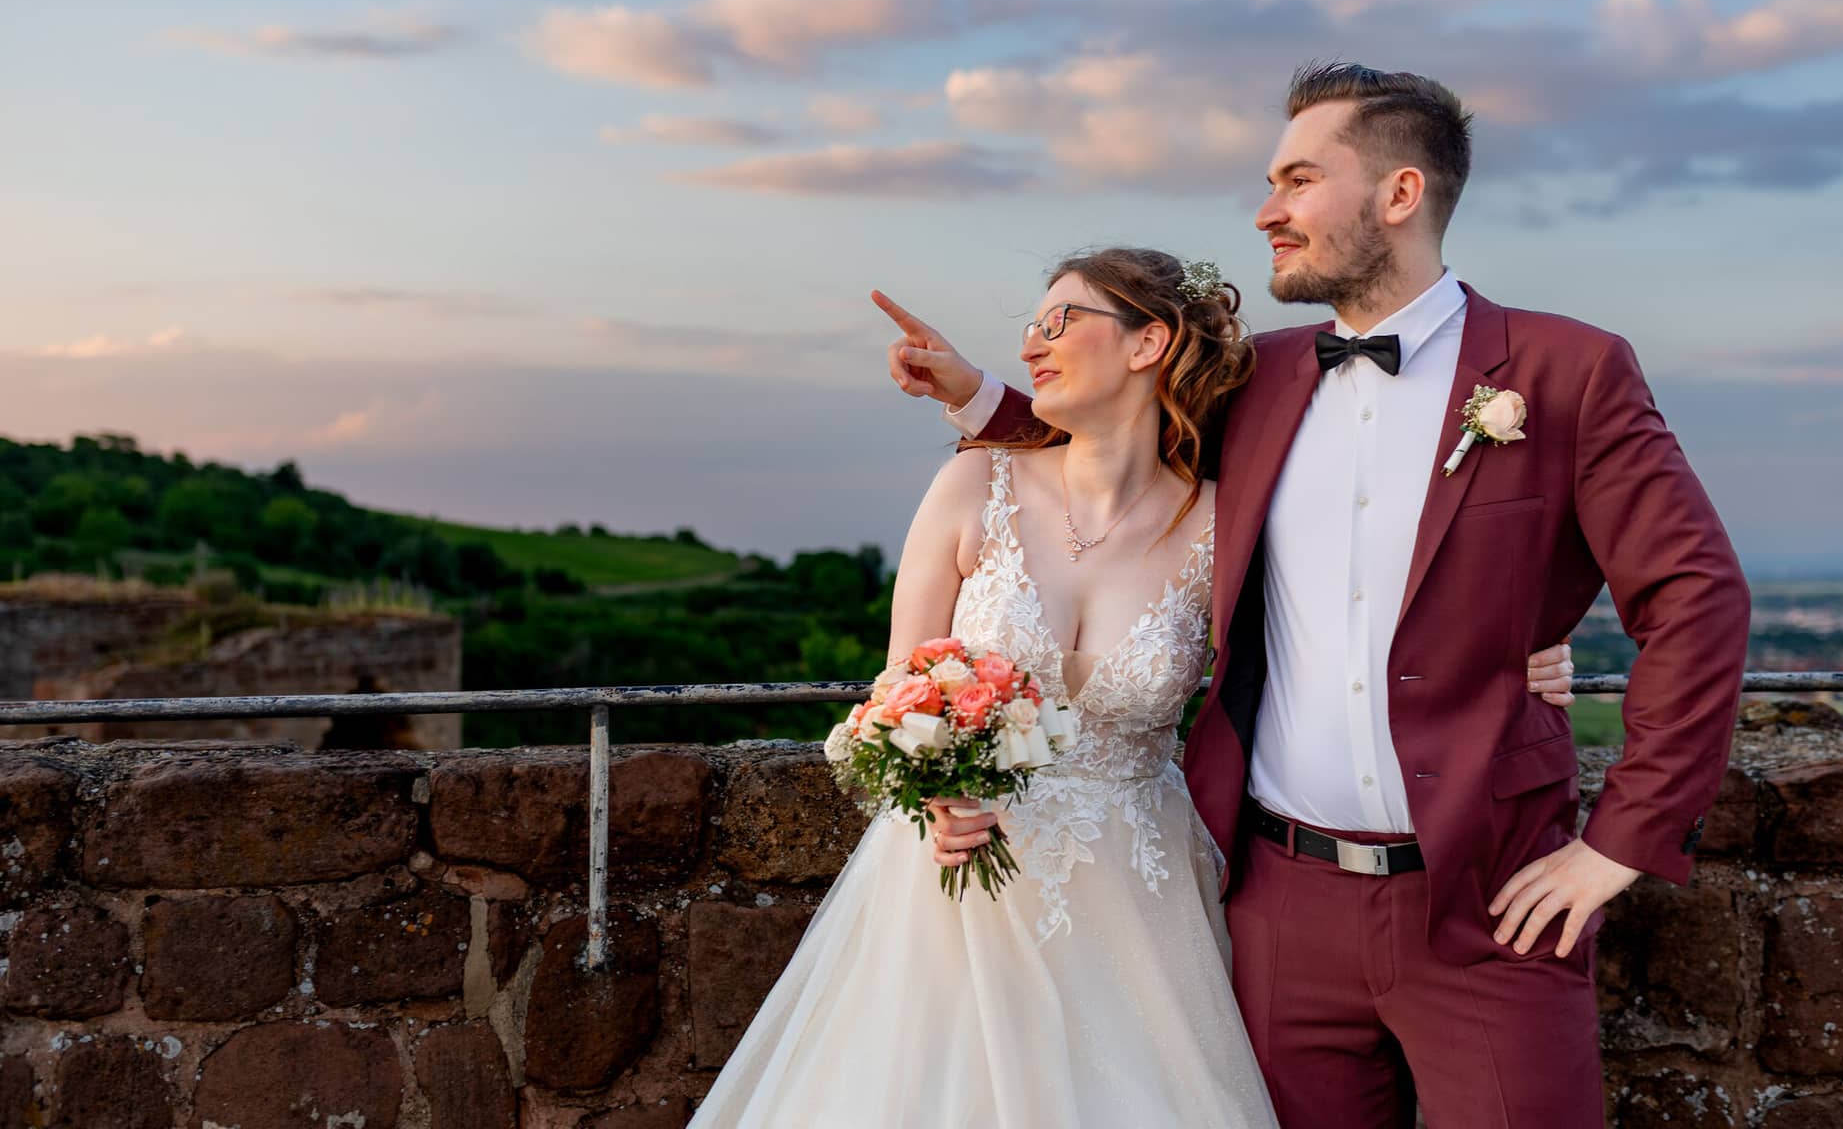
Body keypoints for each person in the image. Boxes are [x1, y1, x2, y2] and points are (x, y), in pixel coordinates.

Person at [877, 63, 1749, 1127]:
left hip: (1486, 899)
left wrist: (1620, 839)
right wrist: (977, 390)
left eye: (1297, 179)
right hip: (1275, 904)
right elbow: (1113, 441)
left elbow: (1696, 597)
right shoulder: (1264, 375)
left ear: (1399, 194)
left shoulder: (1569, 370)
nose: (1266, 211)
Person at [691, 244, 1580, 1127]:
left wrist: (1519, 651)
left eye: (1059, 322)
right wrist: (932, 797)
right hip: (948, 890)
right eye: (1030, 328)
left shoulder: (1228, 525)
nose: (1033, 343)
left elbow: (1366, 609)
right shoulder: (971, 485)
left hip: (1135, 901)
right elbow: (902, 681)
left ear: (1149, 343)